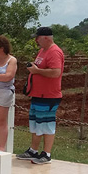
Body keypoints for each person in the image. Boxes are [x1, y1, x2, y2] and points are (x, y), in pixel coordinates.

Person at [17, 26, 64, 164]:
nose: (36, 40)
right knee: (36, 123)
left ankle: (46, 153)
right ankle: (33, 150)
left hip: (49, 95)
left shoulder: (54, 52)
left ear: (46, 38)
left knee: (47, 124)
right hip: (38, 94)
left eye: (38, 38)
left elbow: (56, 72)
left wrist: (37, 71)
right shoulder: (42, 51)